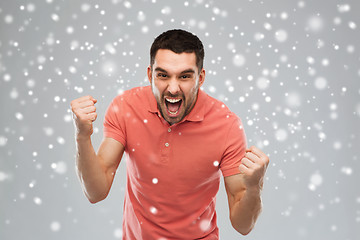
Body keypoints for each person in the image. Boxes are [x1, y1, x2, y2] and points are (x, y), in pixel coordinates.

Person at [71, 29, 269, 239]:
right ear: (150, 75)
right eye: (163, 75)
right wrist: (82, 136)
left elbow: (243, 225)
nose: (173, 88)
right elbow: (96, 191)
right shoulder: (126, 107)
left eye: (184, 76)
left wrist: (255, 186)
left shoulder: (226, 125)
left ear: (200, 78)